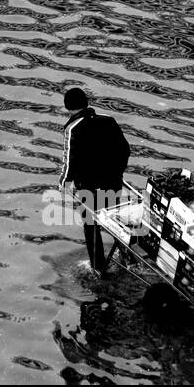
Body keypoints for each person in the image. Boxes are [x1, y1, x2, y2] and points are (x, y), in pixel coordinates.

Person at [58, 88, 130, 274]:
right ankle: (125, 255)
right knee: (113, 220)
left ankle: (98, 267)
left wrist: (64, 183)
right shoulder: (108, 120)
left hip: (88, 187)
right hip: (113, 182)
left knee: (91, 225)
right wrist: (118, 172)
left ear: (67, 107)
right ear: (86, 102)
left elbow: (69, 160)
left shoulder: (72, 129)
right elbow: (124, 150)